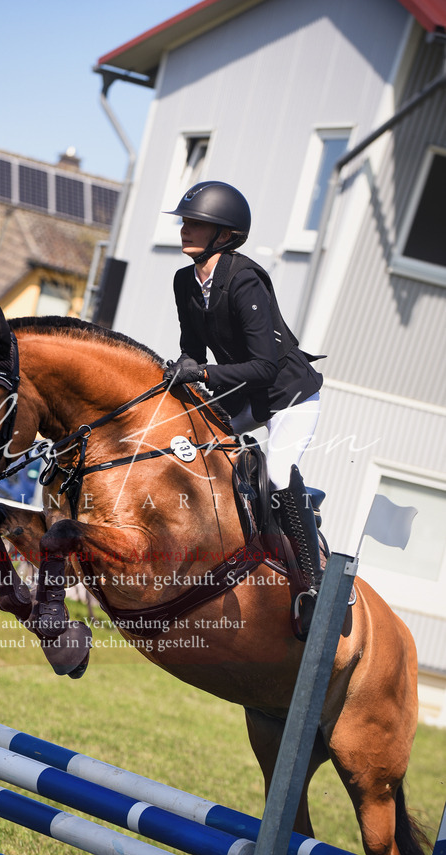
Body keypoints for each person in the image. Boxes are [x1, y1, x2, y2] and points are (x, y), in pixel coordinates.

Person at [163, 180, 325, 637]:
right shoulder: (184, 281)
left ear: (225, 234)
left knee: (277, 472)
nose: (185, 228)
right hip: (246, 391)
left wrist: (205, 376)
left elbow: (265, 366)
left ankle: (310, 584)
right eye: (186, 220)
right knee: (189, 450)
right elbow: (193, 351)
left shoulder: (244, 278)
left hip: (288, 392)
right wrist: (180, 370)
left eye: (197, 223)